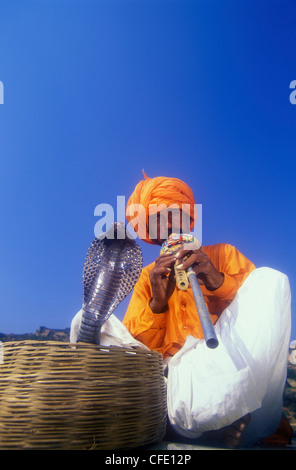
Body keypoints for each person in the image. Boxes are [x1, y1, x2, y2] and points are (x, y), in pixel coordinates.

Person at [71, 172, 293, 448]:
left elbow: (260, 323)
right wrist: (157, 305)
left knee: (271, 280)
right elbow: (136, 352)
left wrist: (217, 281)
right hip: (171, 385)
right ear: (149, 232)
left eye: (171, 216)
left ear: (187, 218)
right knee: (85, 322)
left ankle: (223, 412)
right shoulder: (146, 277)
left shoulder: (223, 254)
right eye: (156, 219)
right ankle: (191, 422)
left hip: (226, 371)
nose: (166, 225)